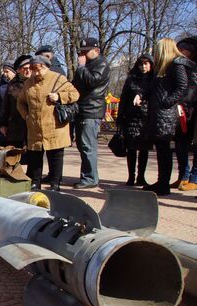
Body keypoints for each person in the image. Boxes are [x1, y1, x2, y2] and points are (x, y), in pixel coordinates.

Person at [18, 55, 79, 191]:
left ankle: (55, 183)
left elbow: (75, 94)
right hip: (35, 127)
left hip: (55, 126)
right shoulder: (28, 83)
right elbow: (20, 103)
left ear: (46, 67)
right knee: (35, 156)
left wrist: (59, 96)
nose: (36, 73)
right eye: (34, 69)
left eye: (39, 69)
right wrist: (26, 116)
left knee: (55, 155)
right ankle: (35, 182)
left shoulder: (58, 78)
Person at [142, 38, 190, 196]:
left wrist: (166, 102)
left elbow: (182, 86)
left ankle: (163, 184)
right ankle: (161, 181)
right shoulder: (163, 68)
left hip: (166, 114)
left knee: (164, 149)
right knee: (161, 149)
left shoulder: (176, 64)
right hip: (159, 113)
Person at [72, 37, 111, 189]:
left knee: (88, 145)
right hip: (82, 109)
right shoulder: (87, 65)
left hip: (92, 110)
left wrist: (81, 68)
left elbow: (93, 81)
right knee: (82, 145)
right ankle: (87, 176)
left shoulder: (101, 64)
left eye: (86, 52)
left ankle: (90, 178)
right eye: (81, 52)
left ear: (96, 50)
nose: (82, 55)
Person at [116, 54, 154, 186]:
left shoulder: (154, 80)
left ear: (151, 64)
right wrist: (120, 118)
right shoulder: (131, 79)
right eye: (141, 64)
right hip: (131, 118)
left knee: (144, 150)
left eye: (147, 63)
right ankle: (131, 176)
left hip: (146, 119)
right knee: (131, 149)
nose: (144, 67)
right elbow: (124, 99)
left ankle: (141, 177)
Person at [173, 37, 197, 191]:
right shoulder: (178, 65)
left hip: (192, 108)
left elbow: (191, 88)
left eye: (184, 49)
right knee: (180, 144)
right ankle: (183, 175)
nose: (181, 51)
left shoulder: (193, 68)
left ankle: (194, 178)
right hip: (181, 108)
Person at [0, 55, 32, 149]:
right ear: (18, 70)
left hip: (32, 127)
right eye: (25, 68)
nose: (28, 71)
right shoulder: (12, 85)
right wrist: (3, 124)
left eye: (30, 68)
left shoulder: (36, 82)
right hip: (16, 127)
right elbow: (6, 106)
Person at [0, 60, 16, 146]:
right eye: (4, 71)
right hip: (1, 124)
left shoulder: (20, 84)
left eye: (7, 71)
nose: (5, 74)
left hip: (16, 126)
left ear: (14, 72)